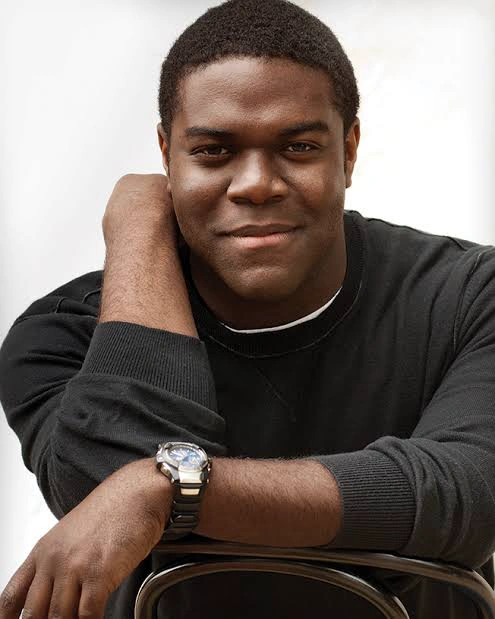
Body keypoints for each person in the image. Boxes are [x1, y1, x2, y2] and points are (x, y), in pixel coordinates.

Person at [1, 0, 494, 617]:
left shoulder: (471, 294)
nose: (257, 183)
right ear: (166, 155)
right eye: (213, 152)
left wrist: (170, 486)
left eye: (299, 146)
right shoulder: (60, 335)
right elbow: (101, 486)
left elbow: (466, 494)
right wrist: (137, 226)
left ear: (349, 150)